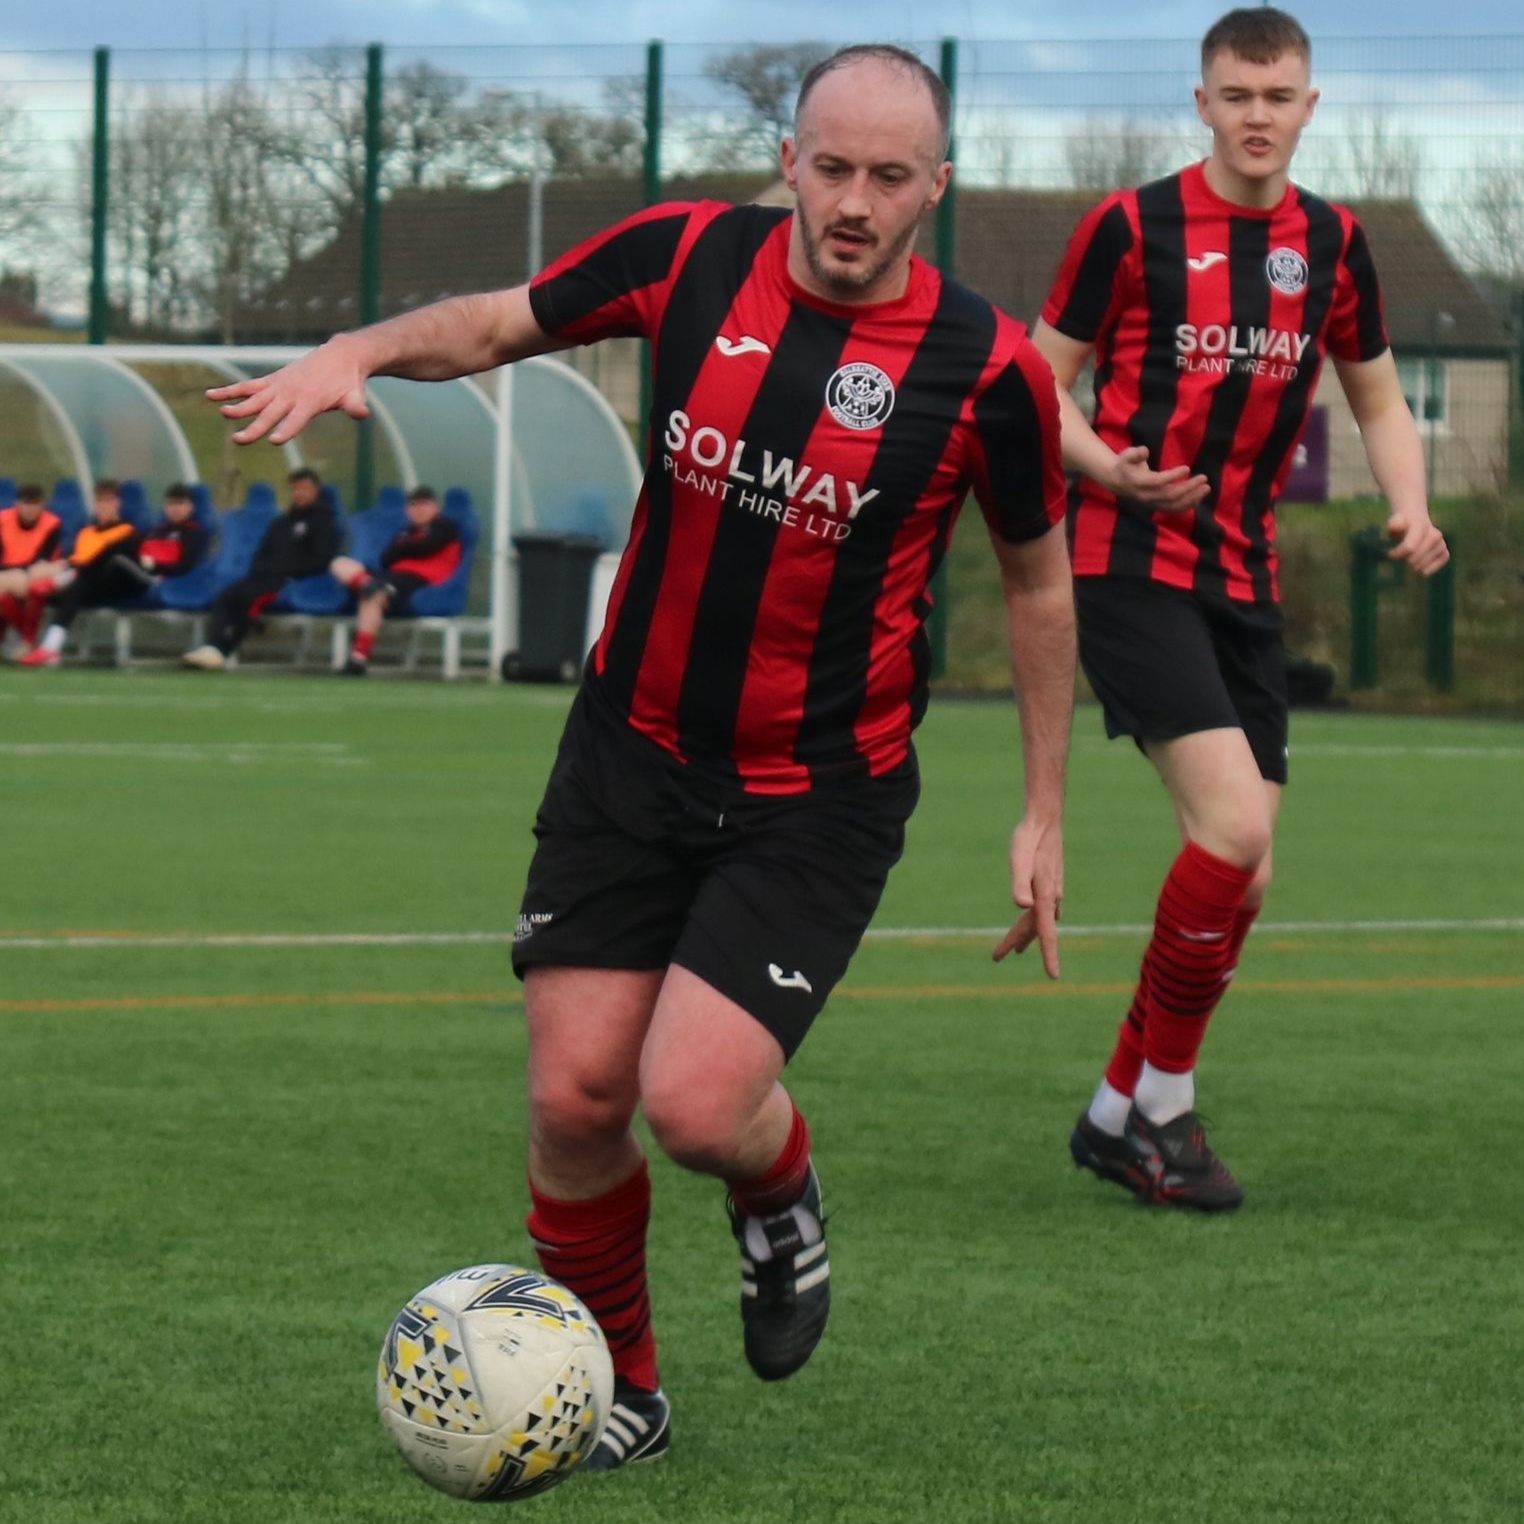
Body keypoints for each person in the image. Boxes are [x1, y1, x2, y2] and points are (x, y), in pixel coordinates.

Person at [208, 43, 1074, 1469]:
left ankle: (777, 1189)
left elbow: (1040, 586)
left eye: (890, 177)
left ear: (940, 186)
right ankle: (626, 1394)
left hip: (818, 792)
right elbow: (493, 323)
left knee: (690, 1105)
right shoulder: (686, 258)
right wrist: (357, 349)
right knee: (573, 1099)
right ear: (789, 158)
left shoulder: (985, 369)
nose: (855, 202)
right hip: (632, 752)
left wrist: (1043, 809)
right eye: (833, 166)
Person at [1032, 6, 1449, 1213]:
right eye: (1236, 94)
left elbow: (1376, 400)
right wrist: (1106, 469)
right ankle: (1158, 1109)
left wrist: (1411, 503)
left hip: (1244, 579)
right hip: (1122, 557)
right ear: (1201, 101)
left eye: (1279, 97)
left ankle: (1124, 1106)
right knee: (1230, 831)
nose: (1258, 116)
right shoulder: (1127, 228)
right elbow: (1037, 384)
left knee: (1246, 874)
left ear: (1309, 107)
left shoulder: (1334, 243)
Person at [183, 468, 340, 670]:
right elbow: (262, 552)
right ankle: (213, 647)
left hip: (291, 581)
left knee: (251, 602)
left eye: (305, 488)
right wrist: (261, 569)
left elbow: (322, 560)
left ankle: (222, 649)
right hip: (262, 577)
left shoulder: (324, 522)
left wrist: (286, 571)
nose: (300, 493)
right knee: (225, 596)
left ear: (316, 490)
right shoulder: (281, 522)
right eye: (295, 489)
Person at [329, 486, 461, 676]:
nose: (418, 509)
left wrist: (404, 547)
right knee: (339, 563)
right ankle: (366, 583)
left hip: (416, 580)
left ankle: (358, 658)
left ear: (435, 508)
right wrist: (405, 547)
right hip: (387, 577)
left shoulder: (445, 527)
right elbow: (386, 558)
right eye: (413, 505)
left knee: (374, 596)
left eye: (424, 504)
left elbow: (427, 547)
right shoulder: (406, 531)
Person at [17, 479, 142, 668]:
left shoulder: (128, 531)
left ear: (118, 503)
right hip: (88, 584)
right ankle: (47, 647)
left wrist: (66, 575)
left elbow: (115, 559)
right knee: (71, 584)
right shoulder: (86, 532)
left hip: (122, 584)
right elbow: (76, 560)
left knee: (110, 559)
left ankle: (61, 582)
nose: (104, 506)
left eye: (109, 500)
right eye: (100, 501)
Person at [0, 485, 61, 653]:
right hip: (7, 575)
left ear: (42, 505)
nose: (30, 509)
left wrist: (17, 575)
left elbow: (44, 561)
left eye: (35, 504)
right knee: (3, 596)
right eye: (26, 503)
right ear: (17, 504)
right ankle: (31, 640)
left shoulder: (52, 524)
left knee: (38, 583)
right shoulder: (3, 521)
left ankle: (28, 641)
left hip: (33, 577)